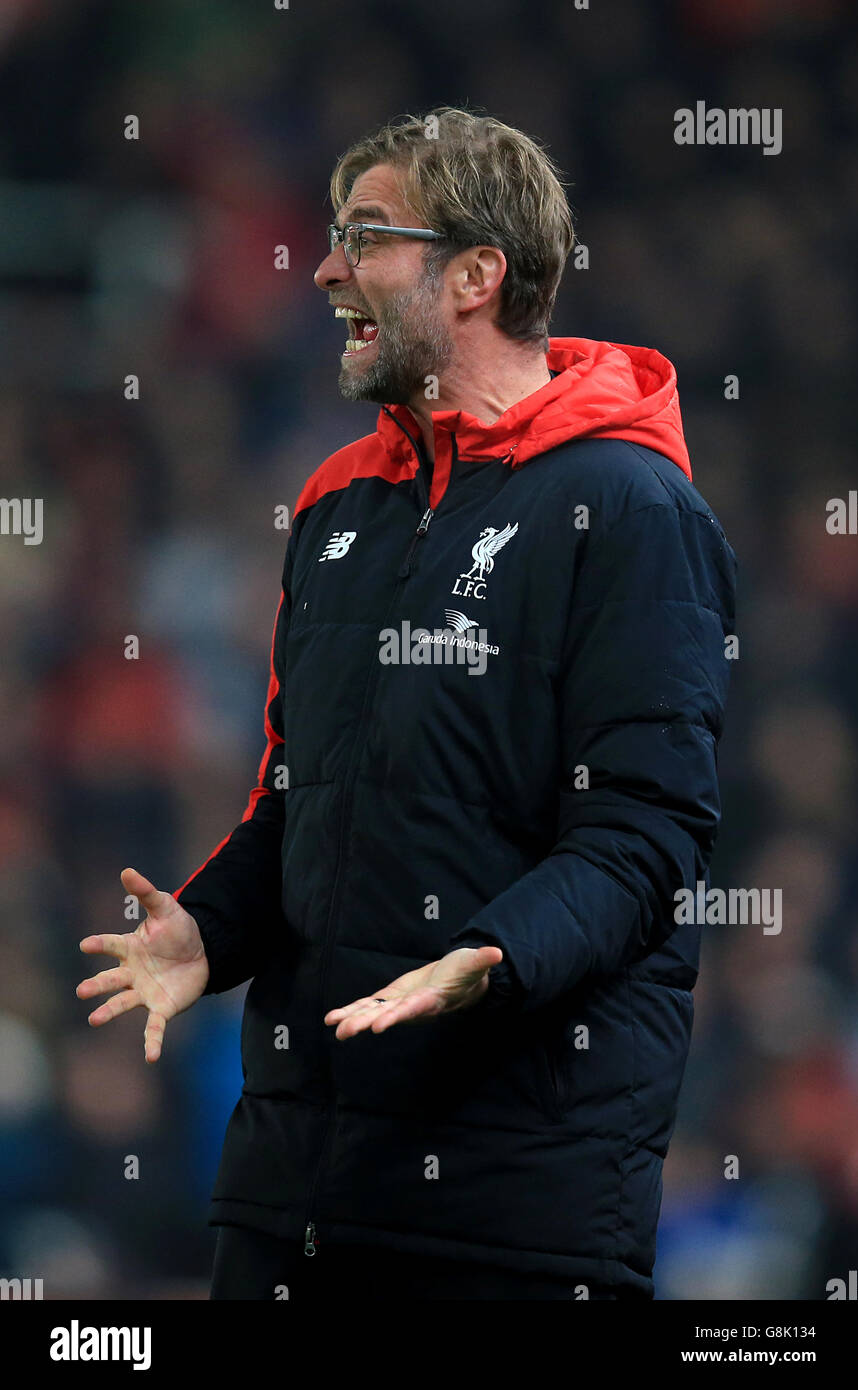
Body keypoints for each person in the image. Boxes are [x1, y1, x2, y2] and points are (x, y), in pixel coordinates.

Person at [77, 107, 736, 1301]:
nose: (323, 268)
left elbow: (647, 834)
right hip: (293, 1186)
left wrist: (490, 954)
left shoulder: (633, 511)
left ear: (476, 272)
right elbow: (295, 801)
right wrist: (208, 931)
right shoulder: (336, 504)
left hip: (512, 1202)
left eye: (364, 237)